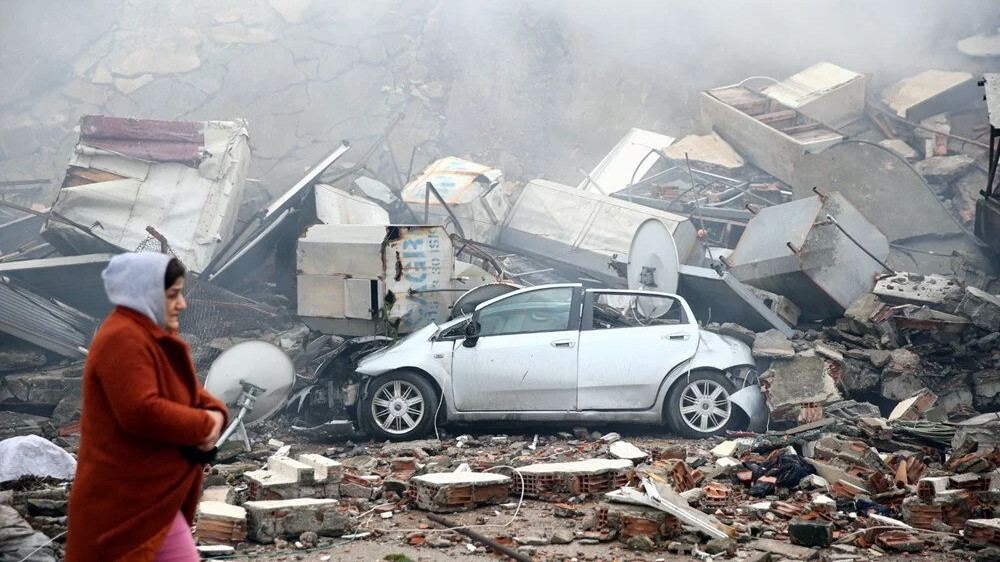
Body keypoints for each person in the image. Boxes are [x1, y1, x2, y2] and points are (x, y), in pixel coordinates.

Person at [66, 252, 229, 561]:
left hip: (151, 499)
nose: (182, 304)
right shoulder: (122, 339)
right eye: (172, 295)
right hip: (126, 503)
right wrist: (206, 425)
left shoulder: (147, 336)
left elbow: (192, 396)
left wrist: (215, 414)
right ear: (145, 294)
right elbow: (141, 411)